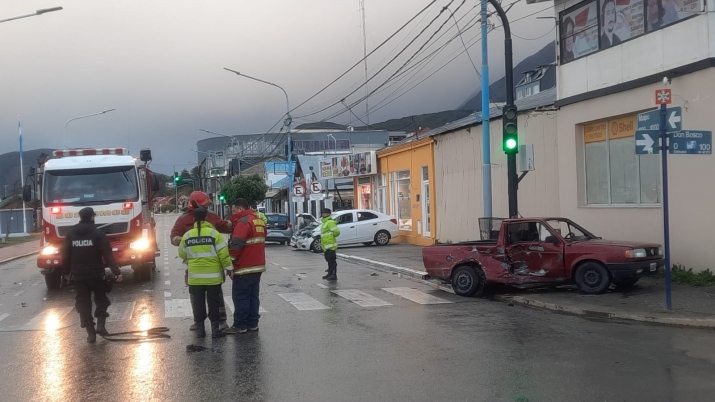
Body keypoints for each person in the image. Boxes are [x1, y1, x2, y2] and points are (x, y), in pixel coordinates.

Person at [171, 191, 232, 331]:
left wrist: (234, 222)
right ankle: (200, 322)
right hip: (201, 267)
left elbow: (224, 226)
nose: (206, 209)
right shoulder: (183, 219)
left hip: (205, 267)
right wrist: (179, 241)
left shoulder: (212, 216)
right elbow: (174, 236)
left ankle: (220, 321)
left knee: (214, 297)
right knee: (197, 298)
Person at [61, 207, 123, 343]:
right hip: (96, 275)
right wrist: (116, 272)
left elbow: (65, 255)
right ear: (91, 217)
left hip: (78, 276)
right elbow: (108, 254)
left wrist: (65, 273)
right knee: (101, 300)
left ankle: (91, 334)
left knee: (83, 304)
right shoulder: (98, 234)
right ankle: (100, 326)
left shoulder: (70, 234)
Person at [224, 198, 266, 334]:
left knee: (241, 296)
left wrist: (229, 263)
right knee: (253, 296)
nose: (233, 213)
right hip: (257, 265)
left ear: (241, 209)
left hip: (244, 265)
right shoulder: (258, 219)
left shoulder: (243, 222)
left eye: (234, 210)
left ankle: (240, 325)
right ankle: (253, 324)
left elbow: (236, 244)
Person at [320, 208, 340, 281]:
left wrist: (331, 237)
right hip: (326, 245)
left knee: (332, 260)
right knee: (328, 260)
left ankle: (333, 275)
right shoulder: (324, 222)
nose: (324, 214)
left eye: (325, 213)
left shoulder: (330, 222)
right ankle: (330, 273)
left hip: (330, 244)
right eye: (323, 213)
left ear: (329, 214)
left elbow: (337, 232)